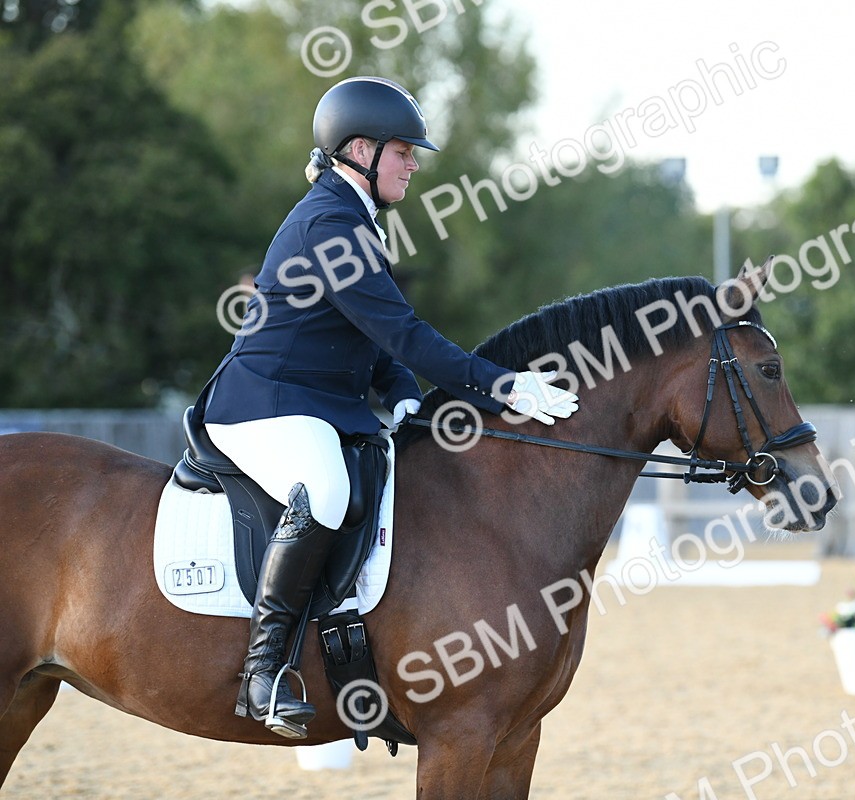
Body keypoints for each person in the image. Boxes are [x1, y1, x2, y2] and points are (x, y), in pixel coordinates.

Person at [197, 76, 578, 738]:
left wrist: (402, 394)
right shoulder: (328, 225)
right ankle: (265, 673)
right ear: (357, 151)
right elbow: (407, 335)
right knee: (326, 488)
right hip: (264, 405)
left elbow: (376, 341)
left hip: (319, 403)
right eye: (403, 150)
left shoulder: (352, 223)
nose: (414, 164)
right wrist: (504, 386)